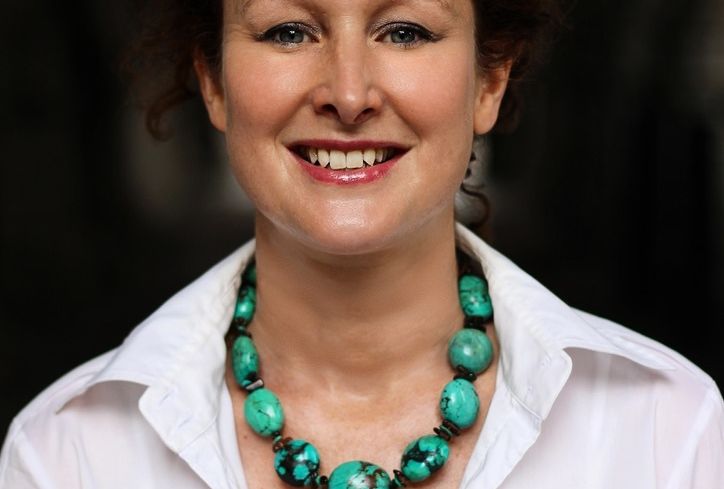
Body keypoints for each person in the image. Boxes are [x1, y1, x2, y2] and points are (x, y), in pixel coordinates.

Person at [1, 0, 722, 487]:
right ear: (213, 82)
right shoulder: (66, 454)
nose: (348, 95)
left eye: (404, 31)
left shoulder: (669, 429)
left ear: (489, 80)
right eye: (289, 31)